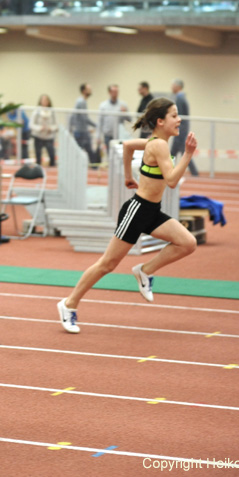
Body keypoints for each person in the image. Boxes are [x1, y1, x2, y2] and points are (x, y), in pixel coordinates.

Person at [57, 97, 198, 334]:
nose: (179, 119)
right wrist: (188, 154)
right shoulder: (160, 146)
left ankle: (145, 270)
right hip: (137, 211)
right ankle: (68, 304)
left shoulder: (154, 142)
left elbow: (128, 146)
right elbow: (172, 181)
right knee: (107, 264)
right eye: (174, 115)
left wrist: (127, 176)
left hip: (151, 211)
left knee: (187, 242)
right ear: (160, 121)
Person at [170, 79, 199, 176]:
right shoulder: (182, 98)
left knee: (179, 153)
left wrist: (178, 129)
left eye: (173, 85)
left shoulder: (180, 99)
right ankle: (194, 173)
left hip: (181, 130)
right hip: (181, 129)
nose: (171, 87)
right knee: (176, 153)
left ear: (178, 86)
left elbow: (180, 116)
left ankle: (194, 173)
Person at [69, 83, 99, 166]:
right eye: (89, 89)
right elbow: (84, 118)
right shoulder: (81, 102)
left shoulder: (81, 101)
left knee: (84, 150)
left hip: (81, 130)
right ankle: (93, 166)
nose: (90, 91)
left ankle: (92, 166)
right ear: (84, 91)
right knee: (87, 150)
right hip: (81, 131)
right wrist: (96, 125)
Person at [98, 84, 131, 153]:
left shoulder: (123, 105)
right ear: (109, 92)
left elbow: (130, 119)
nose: (115, 94)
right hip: (107, 135)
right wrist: (98, 136)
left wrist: (125, 112)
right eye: (114, 91)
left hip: (119, 135)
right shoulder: (103, 106)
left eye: (117, 92)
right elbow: (100, 122)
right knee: (109, 154)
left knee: (119, 154)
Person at [30, 94, 58, 167]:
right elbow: (31, 124)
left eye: (46, 100)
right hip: (38, 137)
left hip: (49, 137)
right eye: (43, 100)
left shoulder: (52, 112)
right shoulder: (36, 111)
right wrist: (39, 128)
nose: (44, 102)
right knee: (38, 156)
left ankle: (52, 171)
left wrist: (51, 128)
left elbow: (56, 125)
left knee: (52, 156)